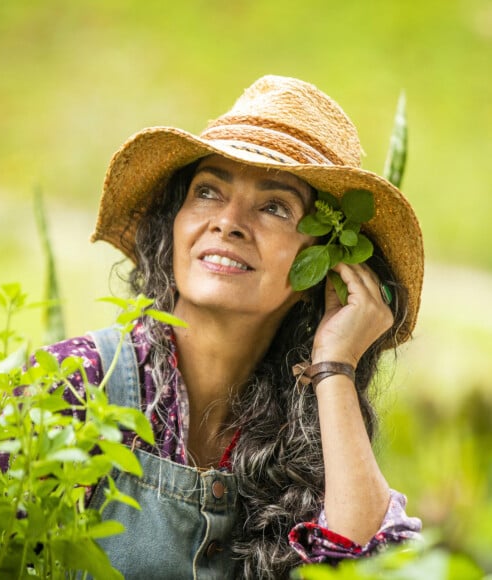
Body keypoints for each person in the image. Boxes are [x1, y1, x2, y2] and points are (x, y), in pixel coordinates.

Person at [42, 75, 423, 579]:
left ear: (323, 266)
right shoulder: (76, 382)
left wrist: (335, 364)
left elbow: (372, 568)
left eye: (274, 206)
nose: (229, 221)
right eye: (207, 191)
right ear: (173, 223)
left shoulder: (306, 434)